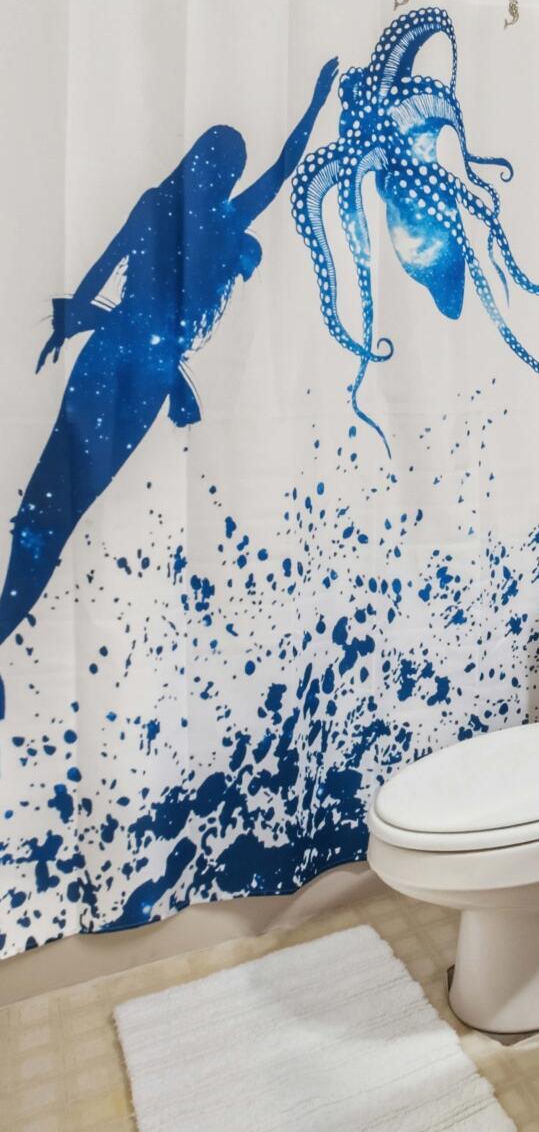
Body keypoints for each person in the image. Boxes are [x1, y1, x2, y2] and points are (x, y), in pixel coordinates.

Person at [0, 58, 338, 700]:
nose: (224, 174)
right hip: (144, 374)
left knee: (52, 500)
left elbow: (103, 268)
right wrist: (317, 103)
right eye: (225, 164)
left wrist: (76, 317)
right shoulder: (217, 221)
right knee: (59, 504)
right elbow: (282, 170)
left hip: (117, 359)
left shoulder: (166, 207)